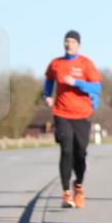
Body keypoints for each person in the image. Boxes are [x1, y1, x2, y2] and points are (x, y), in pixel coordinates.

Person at [44, 30, 103, 209]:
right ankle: (65, 193)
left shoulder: (86, 63)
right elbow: (48, 80)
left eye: (72, 41)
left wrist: (76, 83)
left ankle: (78, 186)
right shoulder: (56, 63)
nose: (68, 44)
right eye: (66, 41)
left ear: (78, 44)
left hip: (82, 115)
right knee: (67, 150)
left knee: (80, 154)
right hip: (61, 113)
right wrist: (47, 95)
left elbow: (97, 88)